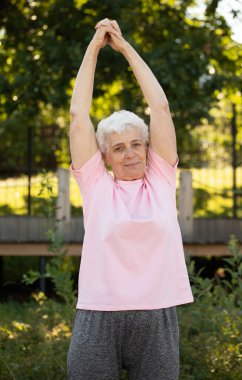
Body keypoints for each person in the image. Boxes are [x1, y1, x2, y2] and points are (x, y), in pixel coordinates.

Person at [67, 18, 194, 380]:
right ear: (105, 155)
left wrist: (123, 47)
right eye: (119, 148)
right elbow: (78, 116)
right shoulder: (96, 185)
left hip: (156, 316)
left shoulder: (160, 180)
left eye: (137, 144)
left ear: (147, 147)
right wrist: (94, 46)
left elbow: (161, 107)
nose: (130, 154)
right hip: (98, 315)